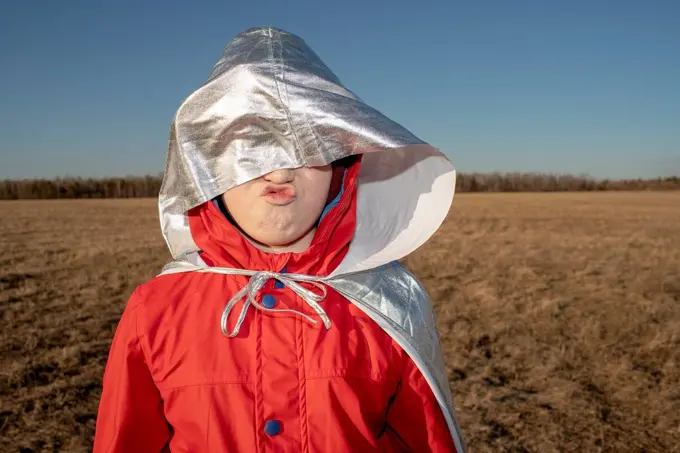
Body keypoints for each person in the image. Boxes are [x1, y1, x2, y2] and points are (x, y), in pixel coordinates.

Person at [93, 27, 465, 453]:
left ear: (341, 168)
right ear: (207, 167)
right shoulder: (156, 310)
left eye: (307, 147)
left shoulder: (392, 302)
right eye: (252, 147)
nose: (279, 172)